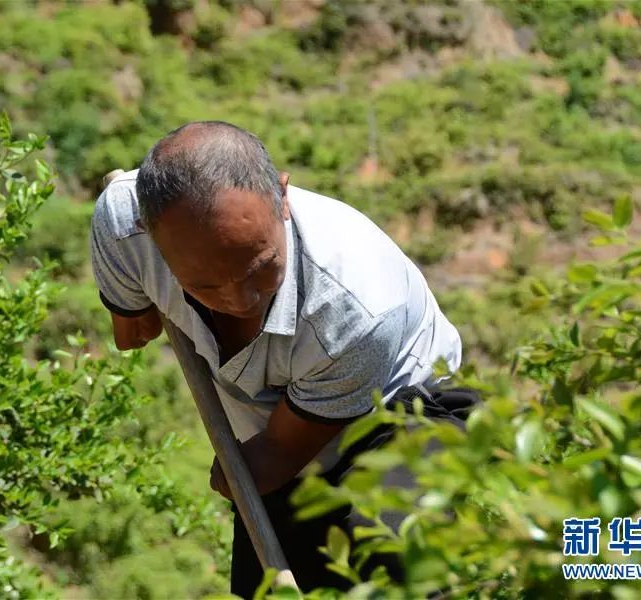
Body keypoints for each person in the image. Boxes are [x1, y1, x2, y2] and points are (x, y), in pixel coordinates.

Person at [90, 121, 476, 596]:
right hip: (277, 422)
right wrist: (138, 285)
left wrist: (232, 473)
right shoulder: (123, 227)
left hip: (402, 407)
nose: (240, 299)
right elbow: (133, 334)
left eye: (259, 269)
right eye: (206, 285)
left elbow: (273, 457)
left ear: (282, 194)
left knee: (397, 560)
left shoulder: (357, 305)